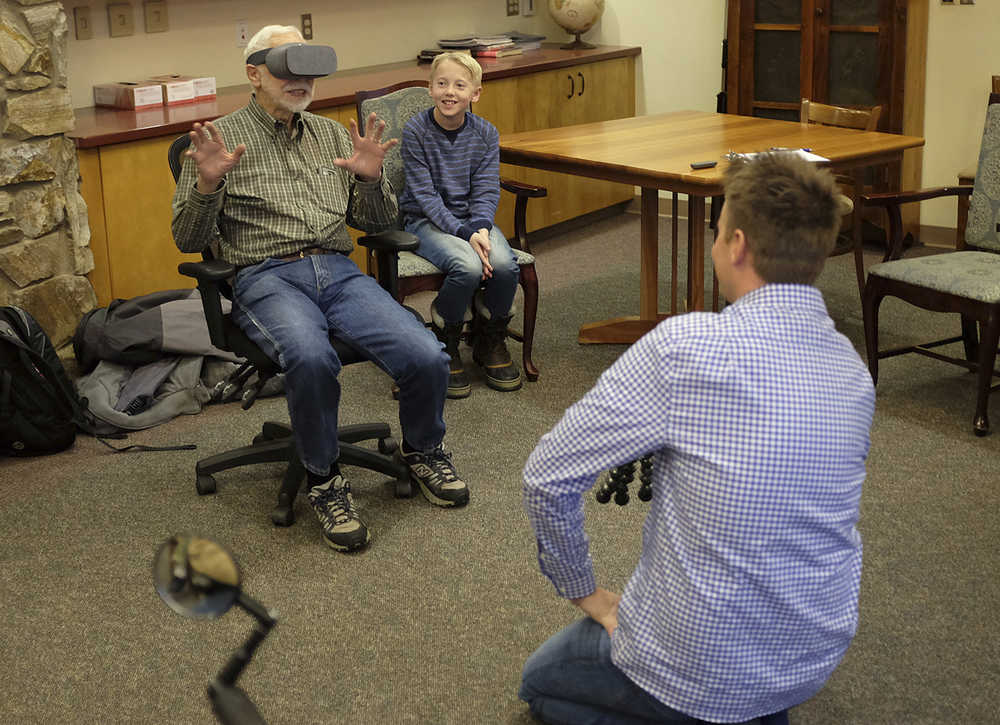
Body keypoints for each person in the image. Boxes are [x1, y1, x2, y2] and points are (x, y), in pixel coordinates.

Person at [519, 153, 876, 724]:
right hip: (812, 653)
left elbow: (547, 475)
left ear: (736, 245)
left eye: (714, 234)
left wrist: (586, 592)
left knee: (539, 687)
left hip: (698, 653)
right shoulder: (853, 372)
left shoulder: (687, 350)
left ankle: (701, 704)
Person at [172, 25, 470, 555]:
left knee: (426, 353)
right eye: (287, 68)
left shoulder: (334, 135)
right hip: (266, 275)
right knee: (311, 358)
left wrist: (372, 181)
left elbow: (376, 224)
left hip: (337, 269)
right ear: (254, 74)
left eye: (308, 69)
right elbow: (188, 239)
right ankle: (324, 477)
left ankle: (424, 450)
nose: (300, 80)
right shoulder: (217, 141)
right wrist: (207, 186)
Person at [399, 51, 522, 398]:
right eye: (441, 84)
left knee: (504, 264)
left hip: (473, 221)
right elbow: (425, 198)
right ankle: (447, 333)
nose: (449, 92)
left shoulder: (485, 133)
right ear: (430, 88)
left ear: (475, 93)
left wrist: (481, 229)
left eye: (459, 85)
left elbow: (485, 189)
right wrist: (466, 235)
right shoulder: (416, 131)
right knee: (467, 267)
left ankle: (490, 339)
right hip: (427, 221)